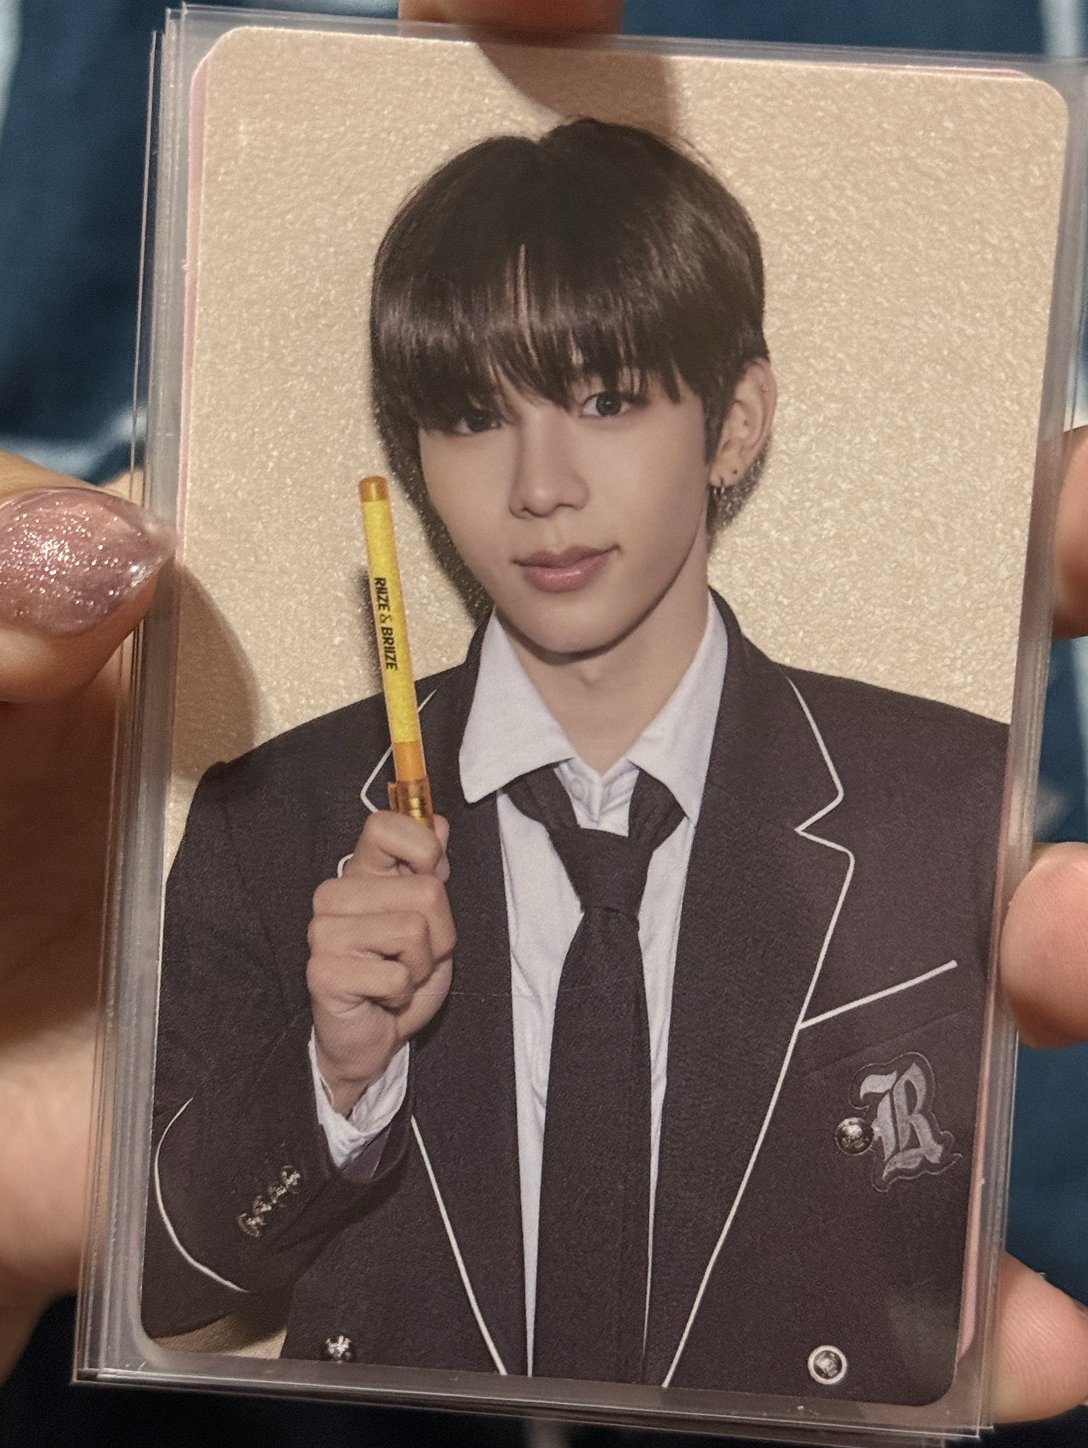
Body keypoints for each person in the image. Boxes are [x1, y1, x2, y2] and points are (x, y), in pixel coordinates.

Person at [2, 0, 1088, 1434]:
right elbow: (169, 1276)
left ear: (736, 420)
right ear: (410, 455)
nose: (539, 486)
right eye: (470, 415)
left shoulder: (940, 790)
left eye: (607, 397)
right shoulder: (274, 815)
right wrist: (334, 1075)